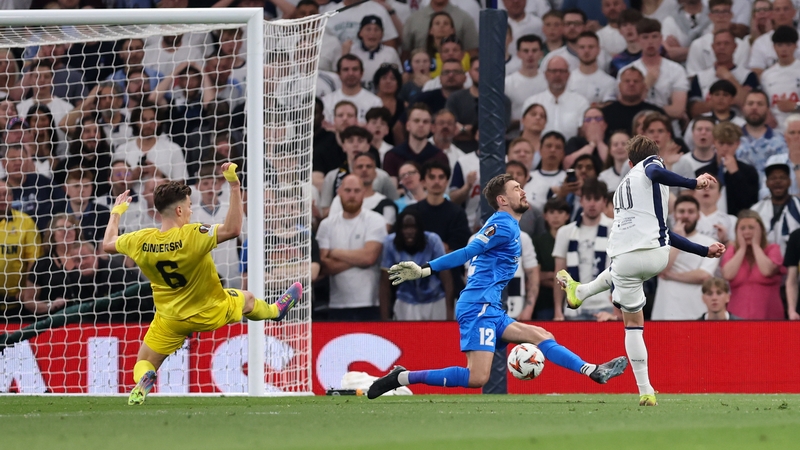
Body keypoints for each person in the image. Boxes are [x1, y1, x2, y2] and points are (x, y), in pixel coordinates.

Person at [367, 173, 629, 399]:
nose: (523, 191)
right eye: (516, 189)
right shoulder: (502, 225)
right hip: (478, 306)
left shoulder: (507, 225)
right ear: (502, 200)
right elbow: (468, 251)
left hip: (490, 308)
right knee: (477, 377)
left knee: (542, 336)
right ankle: (403, 377)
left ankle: (592, 370)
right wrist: (426, 268)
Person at [102, 163, 301, 405]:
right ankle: (275, 311)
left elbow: (108, 243)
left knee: (144, 362)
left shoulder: (140, 240)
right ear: (178, 211)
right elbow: (233, 229)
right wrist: (235, 186)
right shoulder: (193, 234)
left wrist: (117, 211)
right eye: (188, 207)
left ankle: (145, 379)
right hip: (210, 310)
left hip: (171, 319)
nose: (191, 212)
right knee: (248, 299)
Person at [556, 135, 726, 406]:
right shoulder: (650, 166)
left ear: (629, 161)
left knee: (633, 325)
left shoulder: (625, 186)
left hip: (625, 259)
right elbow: (655, 173)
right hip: (656, 256)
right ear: (650, 157)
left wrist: (703, 250)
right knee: (631, 308)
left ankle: (645, 390)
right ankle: (581, 291)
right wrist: (693, 183)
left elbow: (664, 229)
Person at [317, 174, 386, 321]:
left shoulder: (376, 220)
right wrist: (358, 259)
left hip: (369, 303)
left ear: (363, 193)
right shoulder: (327, 225)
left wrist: (334, 252)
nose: (352, 195)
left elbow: (369, 258)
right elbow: (323, 266)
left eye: (356, 191)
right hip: (337, 304)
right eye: (348, 190)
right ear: (339, 192)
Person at [552, 179, 615, 321]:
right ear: (581, 201)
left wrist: (618, 311)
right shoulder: (565, 232)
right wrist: (557, 311)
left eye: (597, 199)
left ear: (604, 202)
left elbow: (623, 272)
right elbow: (560, 273)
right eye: (588, 198)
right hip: (574, 308)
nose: (592, 203)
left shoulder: (615, 229)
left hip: (605, 305)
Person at [652, 196, 719, 320]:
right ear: (674, 215)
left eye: (691, 212)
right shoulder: (659, 241)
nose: (686, 216)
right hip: (666, 312)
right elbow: (661, 269)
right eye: (681, 211)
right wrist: (678, 242)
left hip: (696, 312)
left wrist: (671, 276)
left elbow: (704, 276)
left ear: (698, 215)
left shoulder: (710, 244)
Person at [379, 209, 454, 320]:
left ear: (420, 229)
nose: (409, 231)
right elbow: (385, 284)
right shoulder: (390, 243)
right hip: (406, 301)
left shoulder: (433, 241)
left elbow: (447, 279)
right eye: (405, 227)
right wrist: (384, 320)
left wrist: (450, 315)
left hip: (435, 299)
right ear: (399, 229)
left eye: (413, 227)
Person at [720, 209, 785, 319]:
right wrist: (742, 249)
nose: (747, 232)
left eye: (751, 228)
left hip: (769, 318)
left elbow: (766, 270)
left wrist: (755, 245)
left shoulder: (773, 249)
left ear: (761, 230)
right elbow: (727, 274)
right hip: (737, 318)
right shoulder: (732, 250)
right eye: (742, 228)